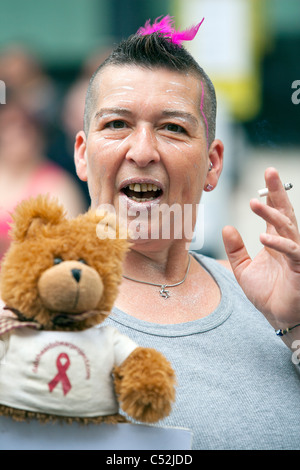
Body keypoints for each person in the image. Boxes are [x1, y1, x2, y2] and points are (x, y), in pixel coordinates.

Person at [73, 16, 300, 450]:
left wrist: (294, 326)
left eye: (172, 128)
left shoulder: (270, 301)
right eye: (116, 124)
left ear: (213, 164)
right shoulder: (26, 310)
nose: (142, 151)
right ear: (83, 155)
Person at [0, 101, 87, 260]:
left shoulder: (57, 183)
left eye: (22, 130)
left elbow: (71, 243)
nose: (13, 137)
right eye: (6, 128)